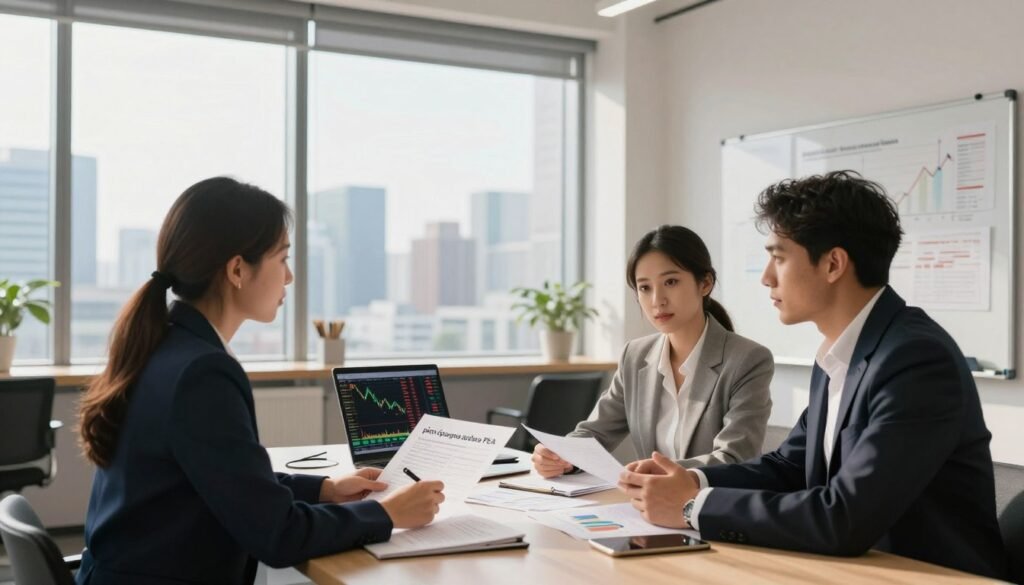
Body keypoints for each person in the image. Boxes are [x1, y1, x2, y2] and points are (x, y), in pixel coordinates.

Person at [619, 171, 1008, 580]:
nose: (766, 276)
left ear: (833, 264)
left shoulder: (915, 360)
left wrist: (691, 507)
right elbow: (789, 466)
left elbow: (844, 516)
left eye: (779, 257)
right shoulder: (841, 353)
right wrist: (691, 480)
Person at [76, 177, 444, 585]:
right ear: (237, 269)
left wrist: (324, 489)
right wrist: (389, 514)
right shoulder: (202, 372)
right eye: (282, 259)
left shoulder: (169, 345)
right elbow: (277, 534)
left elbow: (225, 479)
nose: (288, 277)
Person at [533, 225, 774, 478]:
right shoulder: (635, 356)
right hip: (646, 508)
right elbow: (594, 434)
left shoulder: (748, 359)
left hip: (711, 507)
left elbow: (736, 457)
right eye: (645, 287)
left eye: (671, 282)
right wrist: (560, 455)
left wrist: (657, 472)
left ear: (705, 283)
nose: (657, 300)